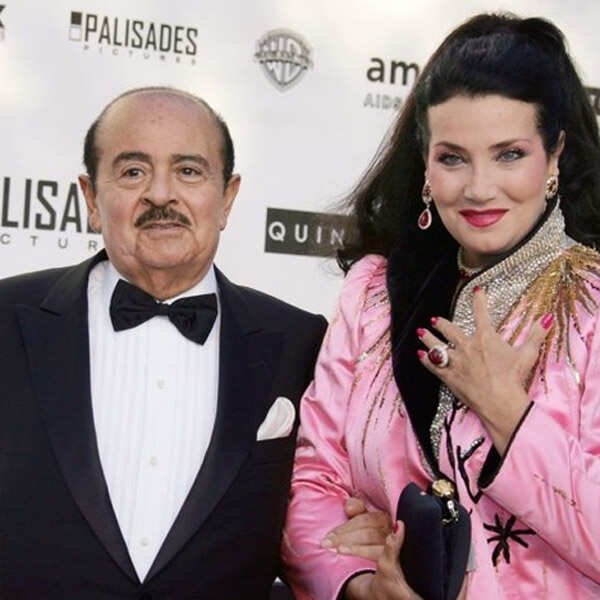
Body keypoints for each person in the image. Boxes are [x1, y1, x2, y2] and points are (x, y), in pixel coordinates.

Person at [282, 13, 600, 599]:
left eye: (509, 154)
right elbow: (314, 480)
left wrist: (509, 414)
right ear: (426, 163)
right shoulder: (374, 293)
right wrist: (360, 583)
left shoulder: (593, 306)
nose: (479, 188)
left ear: (555, 155)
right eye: (453, 158)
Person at [0, 86, 331, 598]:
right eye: (133, 172)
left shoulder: (301, 343)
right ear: (90, 199)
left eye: (189, 171)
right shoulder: (6, 319)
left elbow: (324, 506)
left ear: (227, 198)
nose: (160, 195)